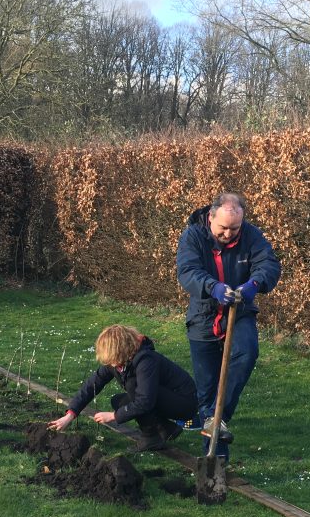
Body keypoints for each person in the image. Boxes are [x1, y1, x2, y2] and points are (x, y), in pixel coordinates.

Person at [176, 192, 281, 460]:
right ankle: (215, 457)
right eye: (223, 227)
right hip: (203, 315)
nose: (228, 233)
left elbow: (268, 264)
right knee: (207, 388)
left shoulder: (251, 235)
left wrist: (254, 284)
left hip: (239, 311)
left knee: (246, 352)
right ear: (211, 217)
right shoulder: (193, 236)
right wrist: (212, 287)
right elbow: (187, 271)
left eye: (234, 228)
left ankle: (216, 418)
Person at [48, 325, 197, 452]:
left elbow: (145, 401)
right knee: (119, 401)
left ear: (122, 350)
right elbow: (92, 385)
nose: (111, 364)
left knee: (133, 386)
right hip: (161, 397)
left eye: (112, 359)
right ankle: (167, 429)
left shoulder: (146, 361)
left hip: (183, 402)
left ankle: (151, 437)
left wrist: (114, 416)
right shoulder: (118, 362)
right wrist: (70, 414)